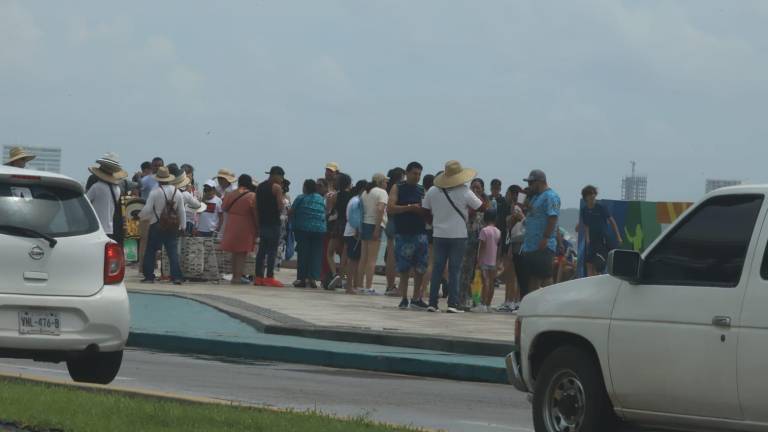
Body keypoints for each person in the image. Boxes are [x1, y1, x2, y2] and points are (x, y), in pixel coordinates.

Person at [423, 161, 483, 313]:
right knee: (455, 270)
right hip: (458, 235)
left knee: (437, 268)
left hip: (438, 234)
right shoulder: (465, 191)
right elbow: (481, 206)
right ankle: (452, 304)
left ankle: (432, 303)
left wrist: (435, 222)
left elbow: (425, 210)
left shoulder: (432, 191)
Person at [388, 162, 429, 310]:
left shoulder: (421, 189)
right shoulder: (397, 187)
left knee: (420, 268)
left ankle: (416, 298)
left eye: (419, 174)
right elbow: (390, 208)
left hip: (420, 233)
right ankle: (404, 297)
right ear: (407, 173)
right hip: (403, 233)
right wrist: (409, 208)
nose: (417, 177)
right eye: (414, 173)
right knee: (404, 268)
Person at [138, 166, 186, 285]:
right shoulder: (177, 192)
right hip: (172, 226)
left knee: (150, 251)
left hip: (156, 225)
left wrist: (139, 216)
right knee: (172, 252)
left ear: (158, 179)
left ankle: (149, 276)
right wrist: (183, 226)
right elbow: (181, 211)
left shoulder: (155, 192)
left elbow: (148, 209)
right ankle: (177, 277)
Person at [520, 169, 561, 295]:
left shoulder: (551, 197)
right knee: (533, 277)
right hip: (531, 246)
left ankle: (550, 304)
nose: (529, 186)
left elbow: (552, 218)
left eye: (531, 183)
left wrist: (546, 237)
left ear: (540, 182)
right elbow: (533, 214)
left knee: (545, 277)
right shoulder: (536, 197)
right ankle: (532, 306)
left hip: (543, 245)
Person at [220, 175, 258, 285]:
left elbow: (224, 207)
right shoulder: (252, 195)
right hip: (245, 224)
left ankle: (234, 276)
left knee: (234, 252)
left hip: (231, 223)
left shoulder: (230, 194)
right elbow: (255, 212)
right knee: (242, 252)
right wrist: (257, 226)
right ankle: (237, 277)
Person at [459, 178, 490, 309]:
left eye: (478, 187)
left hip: (482, 240)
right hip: (467, 237)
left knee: (481, 271)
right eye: (473, 187)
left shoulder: (488, 203)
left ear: (483, 189)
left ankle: (478, 300)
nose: (475, 190)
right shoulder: (467, 201)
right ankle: (462, 297)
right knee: (466, 270)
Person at [290, 179, 327, 288]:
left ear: (305, 188)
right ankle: (313, 279)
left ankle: (301, 279)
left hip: (304, 229)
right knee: (316, 255)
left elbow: (291, 212)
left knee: (303, 254)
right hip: (320, 230)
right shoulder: (321, 198)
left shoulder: (301, 197)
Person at [579, 185, 623, 276]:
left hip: (602, 239)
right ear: (585, 197)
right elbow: (586, 226)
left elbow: (612, 221)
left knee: (598, 264)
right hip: (592, 241)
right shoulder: (584, 210)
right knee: (588, 263)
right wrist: (587, 240)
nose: (592, 196)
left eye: (594, 193)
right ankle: (590, 285)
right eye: (590, 194)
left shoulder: (601, 207)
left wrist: (618, 237)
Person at [86, 153, 129, 245]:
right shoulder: (117, 189)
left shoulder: (96, 187)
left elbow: (85, 204)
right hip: (110, 229)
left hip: (96, 227)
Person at [254, 166, 286, 287]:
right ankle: (269, 277)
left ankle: (258, 277)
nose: (282, 179)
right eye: (281, 176)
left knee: (261, 251)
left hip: (262, 222)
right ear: (275, 175)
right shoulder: (276, 187)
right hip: (273, 223)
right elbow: (280, 206)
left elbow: (256, 206)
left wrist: (257, 223)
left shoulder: (260, 187)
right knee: (272, 250)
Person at [497, 185, 525, 313]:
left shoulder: (516, 207)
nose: (506, 195)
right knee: (516, 274)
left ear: (513, 194)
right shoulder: (522, 206)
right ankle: (516, 301)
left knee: (511, 274)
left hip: (514, 242)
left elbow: (509, 224)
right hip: (518, 241)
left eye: (508, 192)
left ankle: (510, 301)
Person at [358, 173, 389, 293]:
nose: (387, 184)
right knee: (372, 259)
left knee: (363, 258)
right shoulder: (382, 193)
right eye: (385, 182)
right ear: (381, 182)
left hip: (365, 224)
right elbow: (381, 209)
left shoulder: (366, 192)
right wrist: (377, 228)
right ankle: (369, 286)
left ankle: (360, 285)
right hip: (375, 224)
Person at [327, 173, 353, 289]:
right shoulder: (352, 196)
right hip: (348, 225)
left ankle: (335, 274)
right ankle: (343, 278)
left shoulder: (334, 196)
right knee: (344, 254)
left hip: (337, 224)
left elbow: (330, 211)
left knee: (330, 252)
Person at [343, 180, 368, 294]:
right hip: (354, 233)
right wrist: (358, 230)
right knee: (353, 261)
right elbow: (355, 218)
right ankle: (349, 286)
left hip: (350, 232)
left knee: (354, 260)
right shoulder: (357, 201)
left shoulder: (353, 200)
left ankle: (352, 285)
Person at [384, 167, 405, 296]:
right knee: (394, 255)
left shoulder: (387, 188)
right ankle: (392, 286)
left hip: (388, 222)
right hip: (396, 222)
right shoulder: (398, 188)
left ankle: (389, 285)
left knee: (390, 253)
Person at [138, 158, 161, 270]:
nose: (157, 168)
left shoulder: (164, 180)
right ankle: (142, 266)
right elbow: (137, 191)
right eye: (155, 165)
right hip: (146, 214)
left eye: (159, 165)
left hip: (158, 215)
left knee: (155, 242)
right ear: (151, 166)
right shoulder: (146, 180)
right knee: (144, 240)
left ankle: (153, 264)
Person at [475, 210, 501, 312]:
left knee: (485, 282)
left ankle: (482, 304)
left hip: (484, 260)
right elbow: (498, 247)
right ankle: (488, 304)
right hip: (493, 260)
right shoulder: (498, 231)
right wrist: (498, 260)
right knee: (491, 283)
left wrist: (478, 260)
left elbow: (482, 247)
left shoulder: (484, 231)